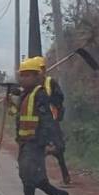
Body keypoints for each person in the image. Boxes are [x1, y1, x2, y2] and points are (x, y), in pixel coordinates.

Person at [9, 57, 68, 195]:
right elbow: (15, 114)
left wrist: (52, 141)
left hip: (35, 141)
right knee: (31, 175)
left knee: (28, 173)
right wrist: (10, 102)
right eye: (22, 75)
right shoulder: (25, 95)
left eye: (28, 75)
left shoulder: (40, 95)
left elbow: (48, 120)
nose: (24, 78)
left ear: (37, 76)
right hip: (24, 141)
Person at [33, 56, 71, 185]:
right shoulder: (32, 85)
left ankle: (65, 176)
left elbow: (59, 98)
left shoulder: (50, 83)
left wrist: (49, 101)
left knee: (59, 150)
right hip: (37, 122)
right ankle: (37, 175)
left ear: (43, 70)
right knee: (37, 149)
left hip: (51, 121)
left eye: (40, 70)